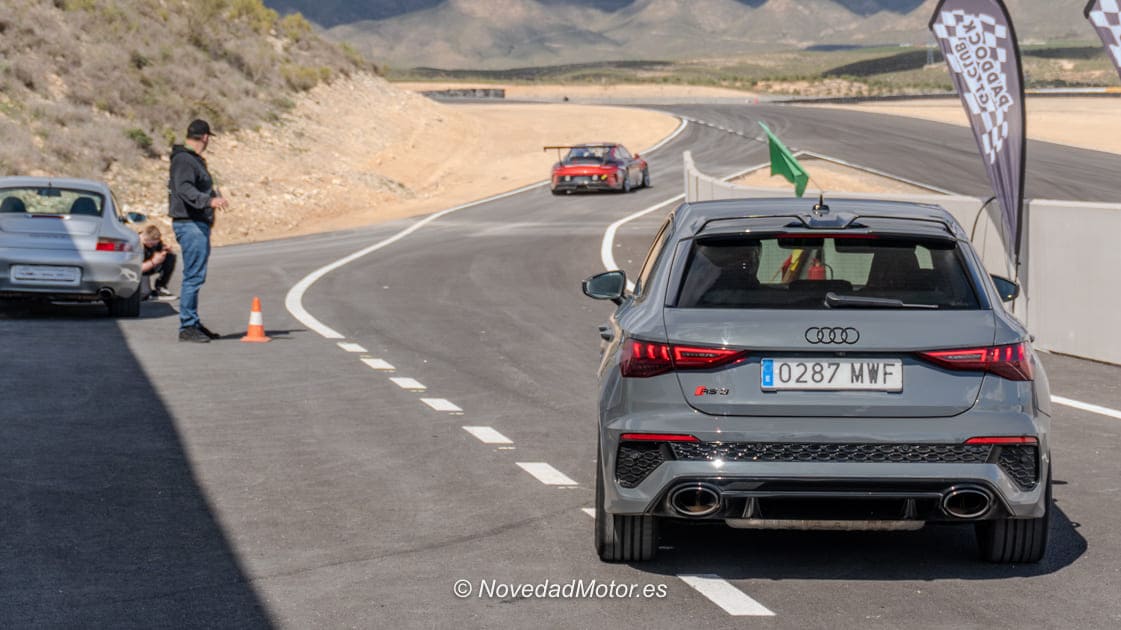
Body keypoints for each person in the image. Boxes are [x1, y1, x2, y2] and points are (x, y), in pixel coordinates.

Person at [168, 119, 228, 343]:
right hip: (190, 224)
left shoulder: (190, 159)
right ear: (205, 137)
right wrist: (208, 201)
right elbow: (184, 188)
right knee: (193, 277)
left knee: (195, 276)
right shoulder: (184, 160)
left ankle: (192, 322)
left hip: (195, 224)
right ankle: (187, 326)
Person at [139, 224, 177, 301]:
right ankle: (143, 292)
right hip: (138, 271)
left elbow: (161, 248)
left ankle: (160, 286)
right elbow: (138, 268)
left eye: (155, 243)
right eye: (152, 244)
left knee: (170, 256)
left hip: (149, 266)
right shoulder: (138, 245)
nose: (154, 245)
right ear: (145, 239)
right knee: (144, 294)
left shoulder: (156, 243)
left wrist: (165, 250)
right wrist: (153, 262)